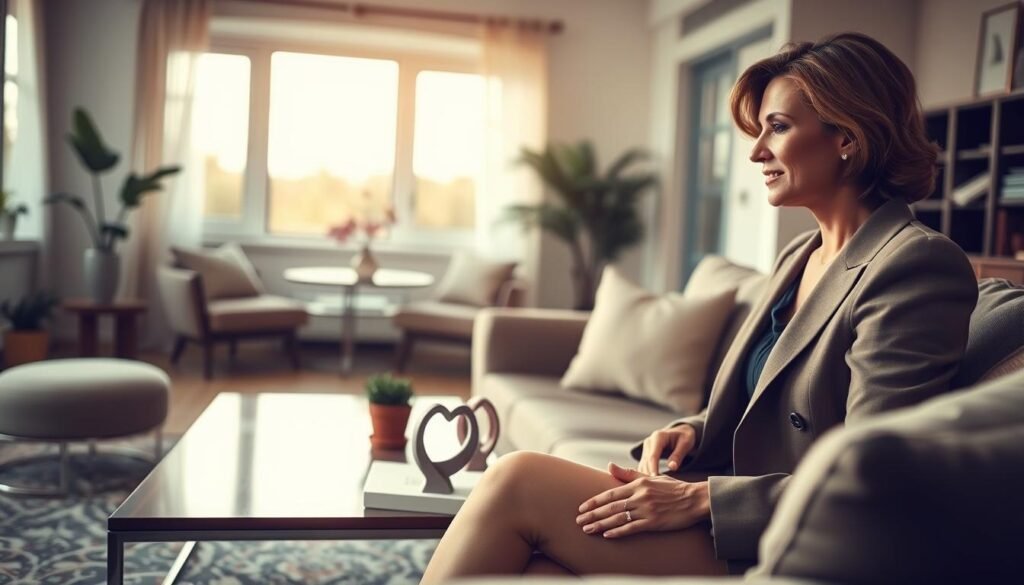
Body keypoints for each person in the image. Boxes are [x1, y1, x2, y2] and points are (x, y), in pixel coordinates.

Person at [420, 32, 978, 582]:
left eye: (777, 128)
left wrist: (700, 499)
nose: (758, 151)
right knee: (538, 572)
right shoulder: (799, 255)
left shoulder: (915, 265)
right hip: (732, 511)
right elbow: (763, 401)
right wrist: (693, 429)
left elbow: (873, 476)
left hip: (797, 538)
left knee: (516, 480)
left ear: (848, 138)